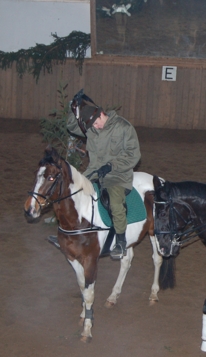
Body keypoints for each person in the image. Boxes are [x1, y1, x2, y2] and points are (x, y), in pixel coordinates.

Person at [48, 92, 141, 260]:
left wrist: (112, 165)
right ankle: (66, 235)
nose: (95, 127)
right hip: (93, 173)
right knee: (69, 193)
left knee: (114, 201)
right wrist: (73, 108)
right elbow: (71, 126)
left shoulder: (123, 127)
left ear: (101, 113)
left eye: (96, 123)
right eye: (92, 125)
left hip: (117, 175)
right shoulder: (91, 128)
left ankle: (120, 241)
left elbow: (134, 155)